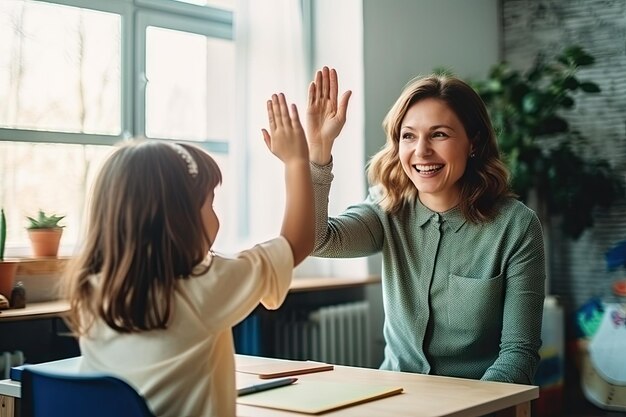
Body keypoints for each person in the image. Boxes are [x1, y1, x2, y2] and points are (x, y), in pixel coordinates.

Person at [62, 93, 314, 417]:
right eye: (210, 202)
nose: (215, 213)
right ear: (179, 217)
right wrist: (297, 162)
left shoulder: (90, 294)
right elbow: (297, 243)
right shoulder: (202, 289)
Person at [306, 66, 545, 384]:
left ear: (472, 142)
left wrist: (472, 408)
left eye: (439, 134)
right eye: (409, 136)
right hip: (394, 398)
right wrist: (319, 153)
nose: (421, 151)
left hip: (476, 403)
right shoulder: (385, 207)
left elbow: (519, 353)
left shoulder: (516, 226)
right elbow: (316, 239)